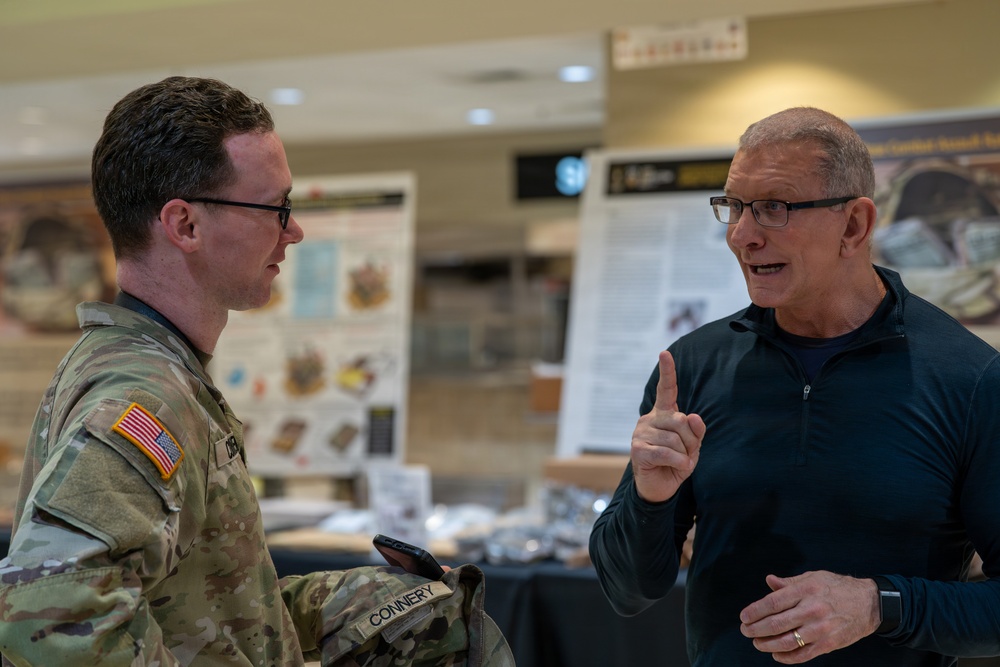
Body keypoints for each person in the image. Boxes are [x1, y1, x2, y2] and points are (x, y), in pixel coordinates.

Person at [0, 76, 513, 666]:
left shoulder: (154, 369)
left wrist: (350, 600)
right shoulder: (145, 396)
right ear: (185, 225)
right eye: (275, 208)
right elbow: (53, 614)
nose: (293, 231)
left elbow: (191, 611)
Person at [589, 107, 1000, 666]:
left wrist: (878, 605)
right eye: (733, 206)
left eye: (773, 209)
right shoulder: (691, 366)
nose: (742, 235)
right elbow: (628, 591)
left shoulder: (969, 378)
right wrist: (650, 499)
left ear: (854, 225)